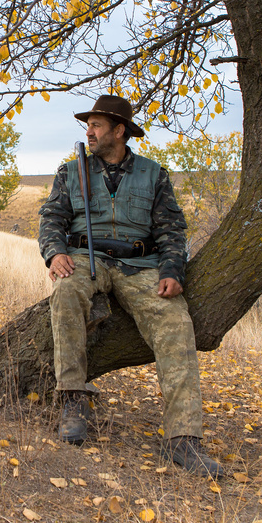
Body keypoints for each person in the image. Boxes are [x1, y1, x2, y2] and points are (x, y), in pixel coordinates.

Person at [37, 94, 224, 479]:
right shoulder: (71, 172)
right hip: (86, 260)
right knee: (66, 292)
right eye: (87, 126)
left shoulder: (154, 174)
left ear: (119, 131)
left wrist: (173, 269)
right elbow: (52, 217)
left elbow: (172, 229)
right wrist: (55, 253)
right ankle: (73, 400)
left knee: (176, 323)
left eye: (97, 125)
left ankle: (183, 439)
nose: (89, 132)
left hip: (140, 266)